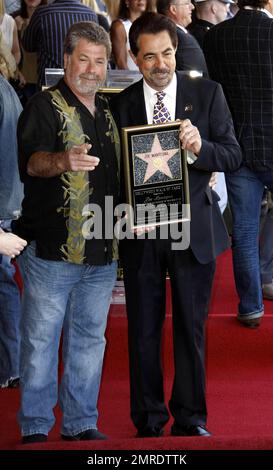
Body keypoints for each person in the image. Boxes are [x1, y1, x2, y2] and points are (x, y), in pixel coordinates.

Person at [111, 11, 241, 438]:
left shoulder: (208, 94)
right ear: (134, 58)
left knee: (191, 329)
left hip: (194, 232)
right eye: (149, 57)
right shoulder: (120, 104)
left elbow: (232, 155)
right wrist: (122, 212)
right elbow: (113, 173)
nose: (161, 64)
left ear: (176, 49)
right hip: (144, 234)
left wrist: (200, 148)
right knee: (143, 332)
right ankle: (148, 422)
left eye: (166, 53)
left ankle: (190, 419)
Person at [14, 21, 119, 444]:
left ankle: (80, 422)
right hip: (51, 252)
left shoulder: (109, 111)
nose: (91, 70)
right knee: (41, 342)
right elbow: (31, 163)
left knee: (90, 342)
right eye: (84, 60)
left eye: (99, 61)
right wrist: (63, 161)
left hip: (102, 252)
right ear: (66, 60)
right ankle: (36, 425)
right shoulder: (42, 106)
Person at [203, 0, 273, 328]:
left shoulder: (216, 37)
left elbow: (214, 91)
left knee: (243, 229)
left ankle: (250, 306)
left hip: (238, 145)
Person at [0, 62, 25, 388]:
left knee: (3, 286)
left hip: (3, 202)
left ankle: (10, 366)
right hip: (9, 198)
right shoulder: (5, 87)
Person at [21, 0, 98, 88]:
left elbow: (28, 46)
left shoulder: (42, 13)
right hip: (81, 82)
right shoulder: (91, 15)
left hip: (49, 87)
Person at [156, 0, 209, 77]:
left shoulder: (174, 33)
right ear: (173, 9)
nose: (192, 7)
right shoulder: (176, 35)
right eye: (187, 3)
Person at [110, 0, 153, 70]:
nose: (141, 0)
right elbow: (121, 63)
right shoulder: (119, 26)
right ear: (127, 1)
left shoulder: (152, 24)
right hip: (130, 79)